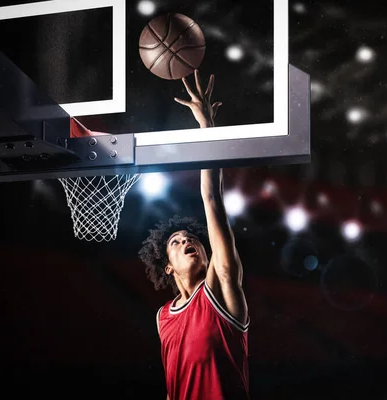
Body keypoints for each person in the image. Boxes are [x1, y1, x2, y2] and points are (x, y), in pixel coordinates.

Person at [138, 70, 250, 400]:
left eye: (192, 238)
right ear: (167, 267)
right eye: (176, 241)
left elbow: (212, 199)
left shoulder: (220, 285)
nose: (187, 240)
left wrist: (206, 128)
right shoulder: (162, 318)